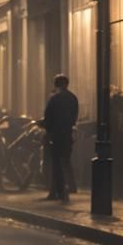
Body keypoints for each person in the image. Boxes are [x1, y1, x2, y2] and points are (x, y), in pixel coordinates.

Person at [39, 74, 79, 203]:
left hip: (55, 135)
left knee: (56, 164)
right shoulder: (73, 98)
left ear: (56, 85)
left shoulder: (54, 99)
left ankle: (59, 191)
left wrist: (45, 126)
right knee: (65, 161)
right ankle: (69, 187)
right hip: (67, 134)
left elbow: (48, 117)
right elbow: (74, 116)